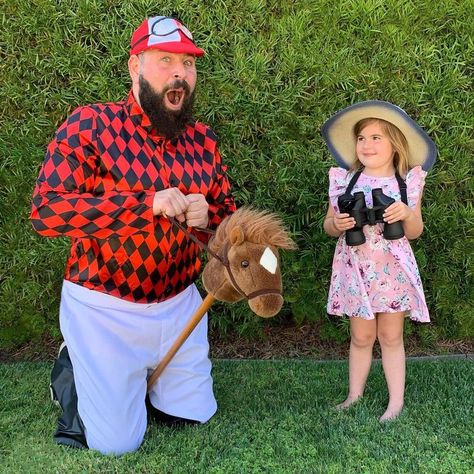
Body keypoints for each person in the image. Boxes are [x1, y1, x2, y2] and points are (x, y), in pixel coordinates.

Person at [30, 15, 236, 455]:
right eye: (165, 61)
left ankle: (132, 377)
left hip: (180, 302)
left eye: (188, 64)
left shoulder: (204, 140)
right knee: (116, 444)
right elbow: (46, 211)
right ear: (135, 67)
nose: (179, 74)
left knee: (193, 415)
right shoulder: (92, 125)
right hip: (104, 307)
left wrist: (210, 216)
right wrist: (146, 203)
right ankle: (73, 369)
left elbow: (230, 221)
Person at [321, 100, 436, 421]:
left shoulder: (407, 183)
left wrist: (405, 213)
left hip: (392, 271)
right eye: (361, 138)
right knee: (360, 336)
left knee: (390, 335)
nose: (367, 145)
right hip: (355, 268)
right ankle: (354, 395)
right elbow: (328, 226)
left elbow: (414, 231)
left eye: (376, 138)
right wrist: (339, 224)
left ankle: (395, 402)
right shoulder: (343, 181)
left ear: (394, 144)